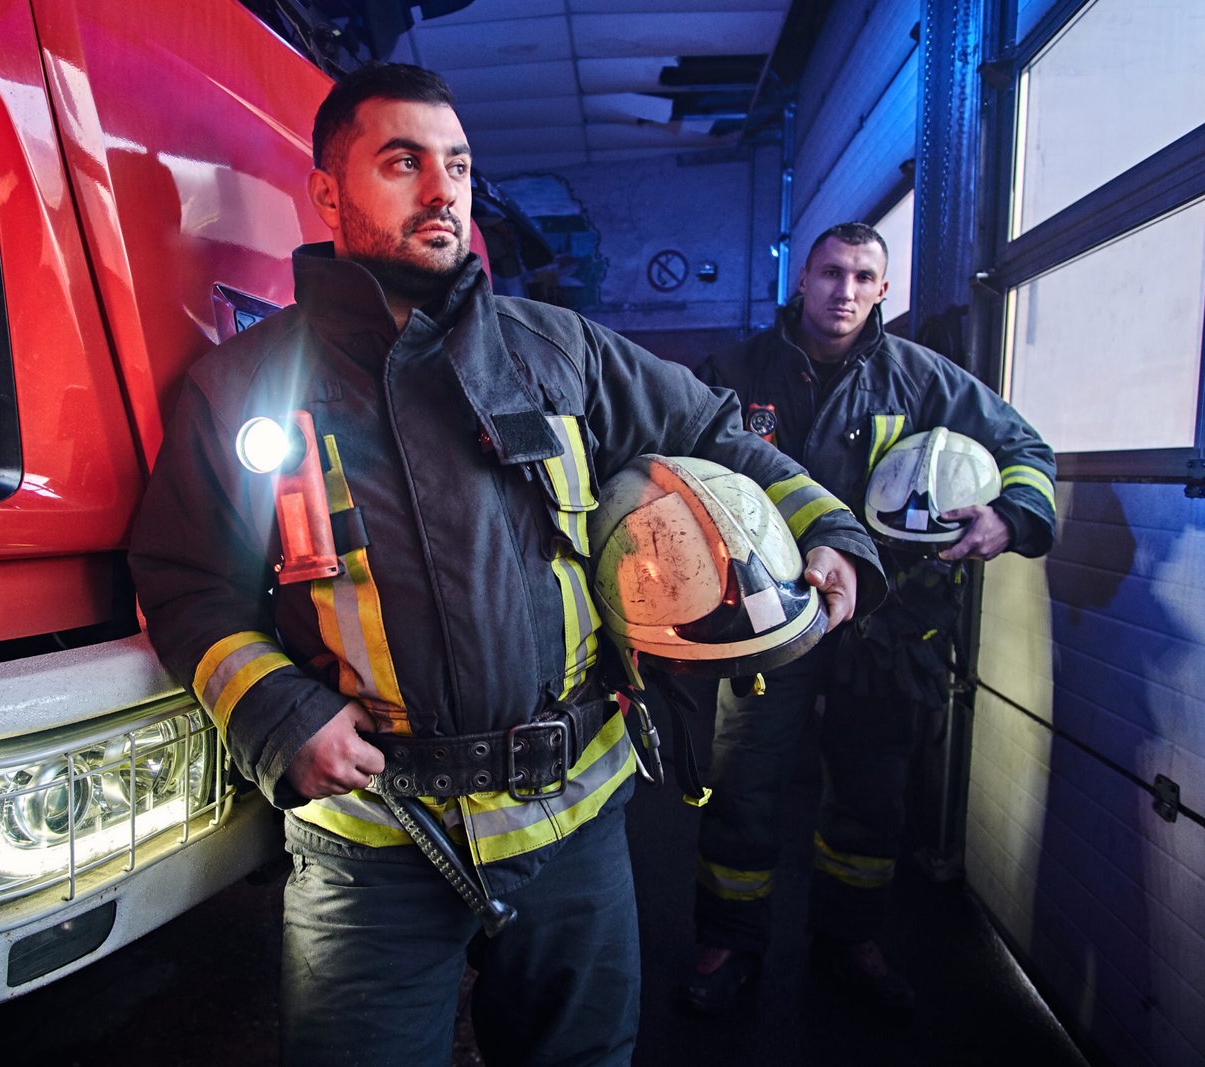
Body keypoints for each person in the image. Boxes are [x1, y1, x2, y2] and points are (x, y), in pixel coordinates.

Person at [128, 64, 884, 1066]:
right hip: (373, 845)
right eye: (402, 163)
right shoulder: (244, 386)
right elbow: (186, 580)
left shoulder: (560, 350)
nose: (442, 191)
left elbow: (713, 429)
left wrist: (832, 530)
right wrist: (277, 710)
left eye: (458, 166)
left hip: (569, 827)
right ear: (326, 193)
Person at [681, 222, 1057, 1016]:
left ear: (883, 290)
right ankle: (728, 939)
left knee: (871, 789)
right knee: (744, 779)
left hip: (884, 624)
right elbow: (675, 462)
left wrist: (1011, 516)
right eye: (830, 274)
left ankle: (849, 938)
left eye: (861, 277)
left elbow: (1025, 447)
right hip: (765, 616)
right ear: (802, 279)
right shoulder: (733, 373)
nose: (843, 291)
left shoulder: (922, 379)